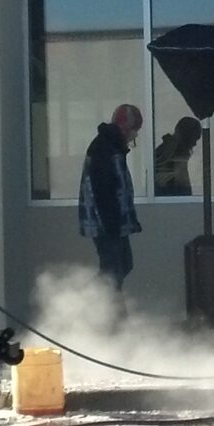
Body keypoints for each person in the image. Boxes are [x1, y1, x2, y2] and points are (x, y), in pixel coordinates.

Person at [78, 104, 143, 289]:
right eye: (134, 129)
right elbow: (103, 191)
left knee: (120, 267)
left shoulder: (109, 146)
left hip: (109, 223)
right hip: (106, 224)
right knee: (113, 271)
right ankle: (99, 306)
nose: (135, 135)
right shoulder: (105, 149)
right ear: (125, 128)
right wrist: (112, 225)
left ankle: (101, 305)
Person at [150, 116, 205, 197]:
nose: (194, 144)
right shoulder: (174, 152)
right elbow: (181, 181)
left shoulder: (166, 149)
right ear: (188, 137)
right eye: (194, 139)